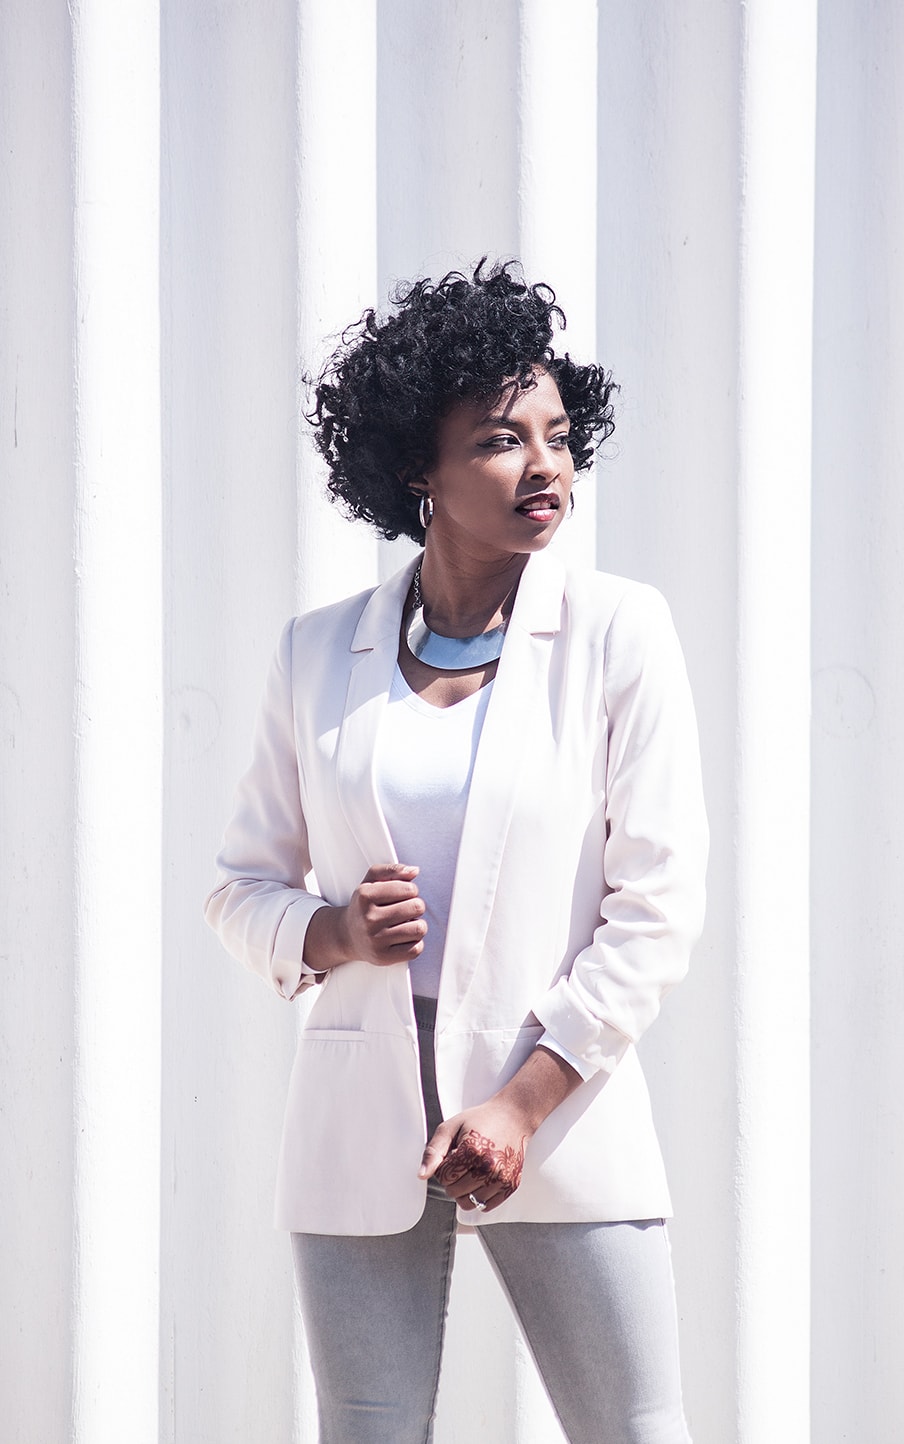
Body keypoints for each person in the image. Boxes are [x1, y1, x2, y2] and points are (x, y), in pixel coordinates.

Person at [205, 259, 709, 1444]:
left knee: (636, 1430)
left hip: (559, 1103)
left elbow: (656, 905)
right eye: (498, 440)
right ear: (416, 472)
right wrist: (330, 931)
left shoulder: (618, 632)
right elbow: (239, 886)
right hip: (356, 1117)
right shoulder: (315, 652)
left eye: (556, 436)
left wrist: (521, 1104)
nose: (544, 466)